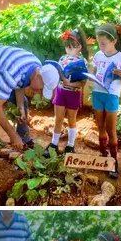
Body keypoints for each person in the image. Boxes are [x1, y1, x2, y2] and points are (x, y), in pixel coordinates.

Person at [0, 46, 61, 180]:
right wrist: (12, 135)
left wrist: (21, 106)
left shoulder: (37, 67)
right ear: (38, 76)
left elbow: (20, 83)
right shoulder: (12, 73)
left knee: (24, 104)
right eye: (41, 89)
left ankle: (24, 140)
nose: (39, 93)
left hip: (2, 69)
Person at [90, 24, 121, 179]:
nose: (100, 46)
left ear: (113, 41)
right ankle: (103, 156)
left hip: (112, 95)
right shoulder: (98, 55)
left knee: (111, 130)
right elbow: (95, 72)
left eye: (103, 43)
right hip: (97, 93)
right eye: (99, 43)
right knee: (100, 128)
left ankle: (114, 162)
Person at [45, 28, 89, 157]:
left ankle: (70, 145)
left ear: (79, 47)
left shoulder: (83, 62)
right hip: (60, 92)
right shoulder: (62, 58)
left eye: (73, 47)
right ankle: (54, 143)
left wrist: (70, 83)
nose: (69, 50)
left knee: (71, 120)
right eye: (67, 47)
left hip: (73, 93)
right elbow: (57, 74)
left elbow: (83, 83)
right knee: (58, 119)